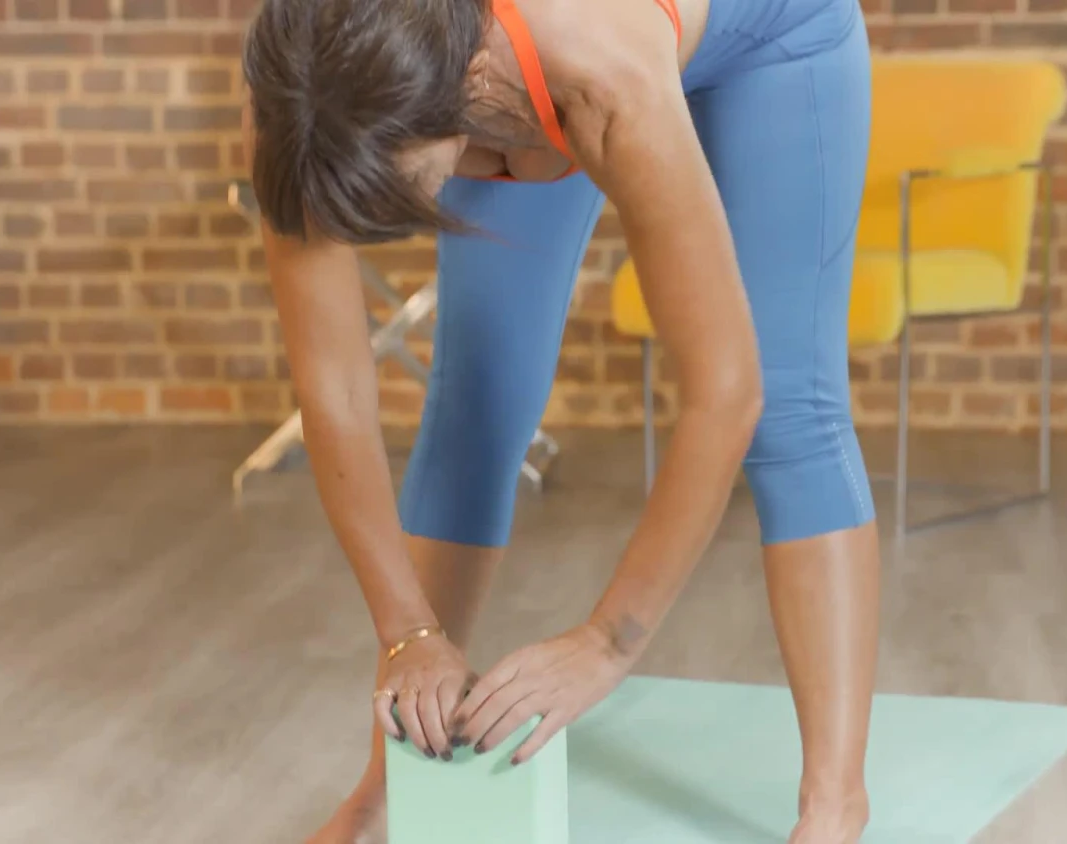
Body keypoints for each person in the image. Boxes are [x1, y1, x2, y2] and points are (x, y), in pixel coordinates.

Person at [241, 0, 879, 839]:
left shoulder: (600, 74)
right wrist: (406, 633)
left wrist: (607, 642)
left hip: (773, 36)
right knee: (476, 404)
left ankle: (834, 802)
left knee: (792, 405)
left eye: (405, 191)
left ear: (460, 89)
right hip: (515, 78)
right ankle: (385, 789)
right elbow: (334, 389)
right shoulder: (300, 87)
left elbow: (725, 392)